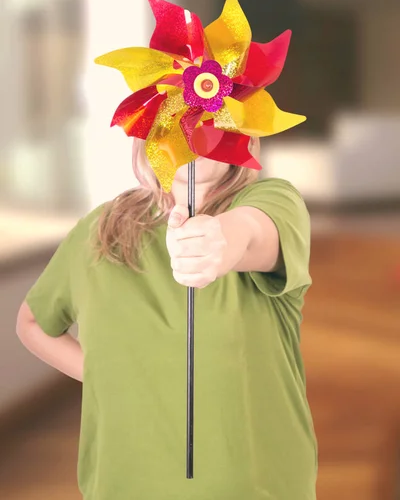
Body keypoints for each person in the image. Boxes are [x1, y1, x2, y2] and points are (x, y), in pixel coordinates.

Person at [16, 136, 318, 500]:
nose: (196, 132)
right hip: (121, 485)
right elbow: (33, 323)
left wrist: (218, 241)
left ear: (244, 129)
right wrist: (108, 375)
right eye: (176, 113)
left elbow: (252, 232)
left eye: (213, 113)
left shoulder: (275, 202)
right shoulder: (100, 229)